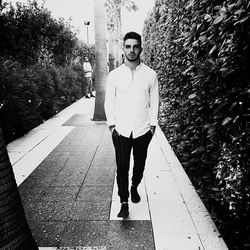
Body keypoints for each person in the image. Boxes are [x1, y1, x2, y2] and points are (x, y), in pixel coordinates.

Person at [104, 32, 159, 218]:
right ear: (123, 48)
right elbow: (109, 101)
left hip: (143, 130)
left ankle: (135, 185)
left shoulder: (151, 75)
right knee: (122, 167)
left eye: (135, 46)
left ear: (141, 48)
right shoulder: (114, 75)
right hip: (121, 130)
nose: (132, 50)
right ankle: (124, 202)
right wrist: (112, 125)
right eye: (128, 46)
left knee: (139, 165)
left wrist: (153, 125)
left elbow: (155, 101)